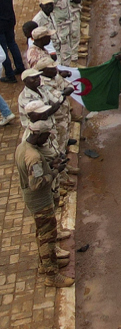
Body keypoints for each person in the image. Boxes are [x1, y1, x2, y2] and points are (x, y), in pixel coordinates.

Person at [15, 120, 73, 288]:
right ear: (38, 135)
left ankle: (46, 264)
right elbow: (37, 183)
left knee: (42, 233)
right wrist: (54, 172)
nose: (47, 138)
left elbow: (34, 173)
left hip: (33, 199)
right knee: (47, 238)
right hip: (40, 201)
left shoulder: (22, 147)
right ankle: (52, 275)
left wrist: (48, 165)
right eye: (46, 135)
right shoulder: (33, 157)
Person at [0, 0, 25, 83]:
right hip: (10, 21)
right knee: (12, 44)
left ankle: (10, 75)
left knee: (3, 50)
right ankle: (20, 67)